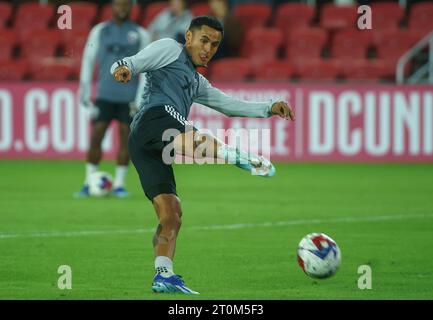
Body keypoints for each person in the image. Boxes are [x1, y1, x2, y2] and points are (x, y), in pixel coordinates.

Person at [111, 16, 294, 294]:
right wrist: (122, 67)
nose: (208, 48)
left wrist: (270, 107)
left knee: (171, 213)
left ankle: (163, 274)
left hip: (145, 145)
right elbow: (132, 62)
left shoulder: (197, 82)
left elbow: (229, 105)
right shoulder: (170, 49)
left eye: (215, 44)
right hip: (154, 118)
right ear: (188, 38)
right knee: (189, 134)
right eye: (204, 40)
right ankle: (234, 155)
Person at [75, 0, 151, 198]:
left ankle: (119, 184)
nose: (122, 9)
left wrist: (140, 98)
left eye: (126, 5)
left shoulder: (141, 34)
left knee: (126, 138)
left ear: (132, 8)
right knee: (96, 136)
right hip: (105, 94)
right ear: (112, 7)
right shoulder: (99, 31)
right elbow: (88, 60)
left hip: (128, 97)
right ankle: (87, 181)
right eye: (118, 4)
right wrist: (84, 91)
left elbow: (147, 70)